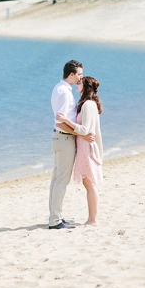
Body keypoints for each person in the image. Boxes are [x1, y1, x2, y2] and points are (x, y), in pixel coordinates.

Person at [48, 60, 93, 230]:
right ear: (72, 74)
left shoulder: (58, 88)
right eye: (80, 74)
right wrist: (81, 133)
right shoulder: (65, 93)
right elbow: (60, 122)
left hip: (59, 139)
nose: (81, 78)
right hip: (64, 139)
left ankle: (56, 216)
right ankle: (55, 220)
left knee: (56, 179)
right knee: (61, 180)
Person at [56, 76, 104, 226]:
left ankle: (93, 220)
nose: (77, 84)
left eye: (80, 83)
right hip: (84, 148)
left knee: (90, 184)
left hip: (87, 149)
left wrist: (65, 121)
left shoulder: (88, 105)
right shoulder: (87, 104)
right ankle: (92, 219)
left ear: (86, 86)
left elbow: (86, 129)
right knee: (88, 184)